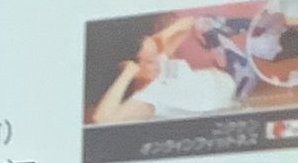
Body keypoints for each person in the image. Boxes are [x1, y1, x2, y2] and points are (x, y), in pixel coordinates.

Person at [92, 22, 238, 125]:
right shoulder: (147, 98)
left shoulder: (158, 61)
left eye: (156, 54)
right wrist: (127, 74)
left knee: (202, 23)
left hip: (225, 77)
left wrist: (158, 39)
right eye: (150, 61)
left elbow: (187, 23)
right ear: (131, 68)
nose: (158, 63)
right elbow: (101, 120)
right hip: (230, 96)